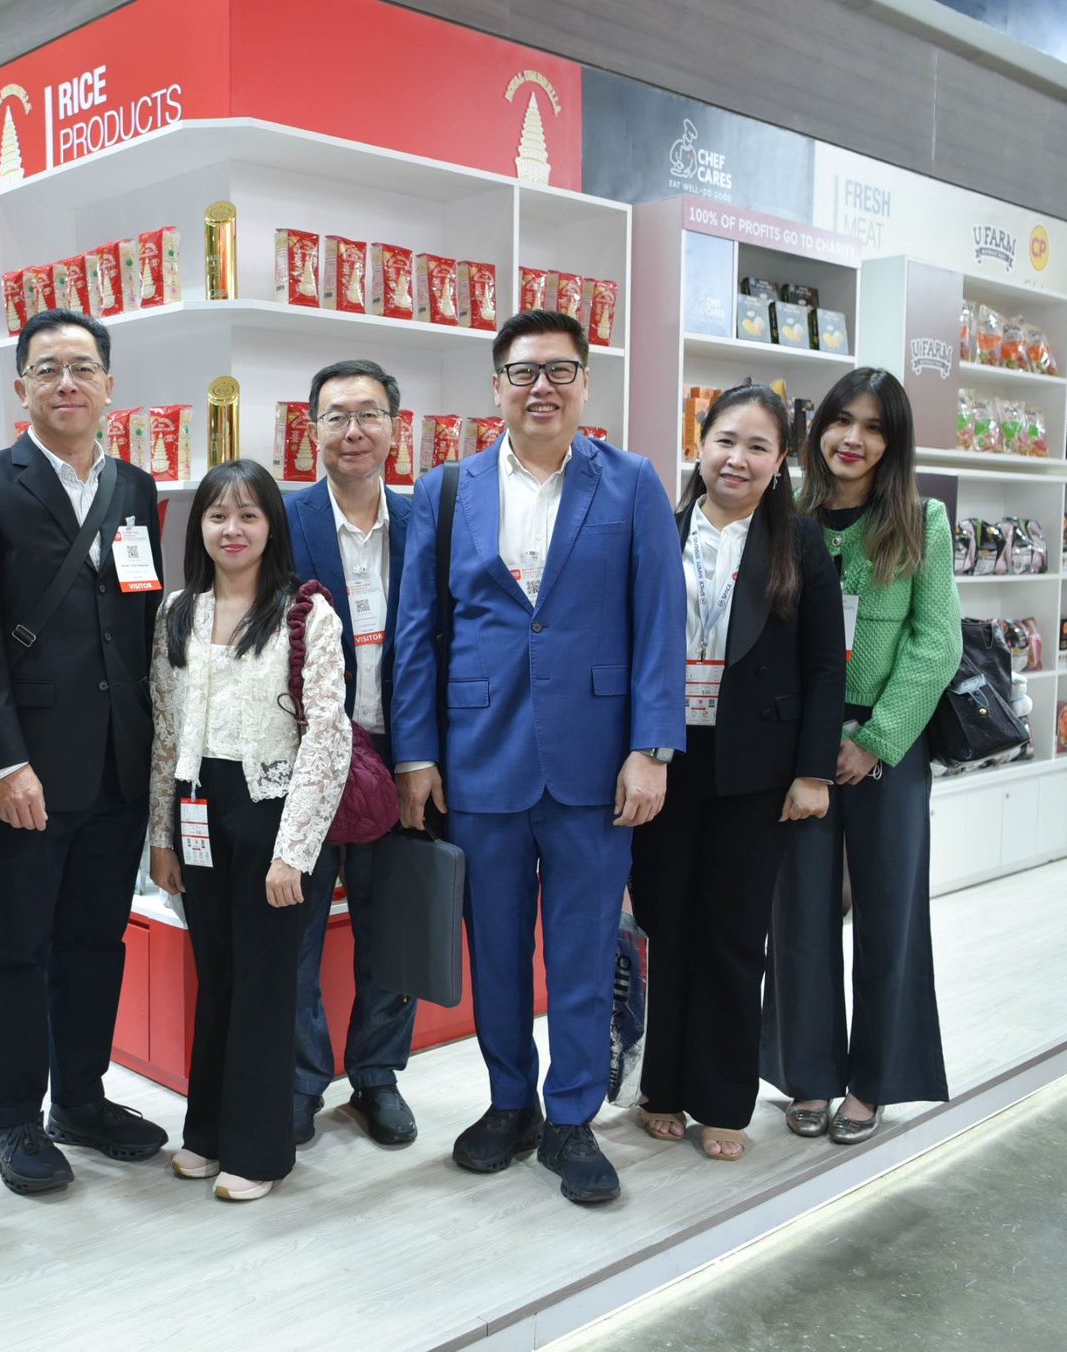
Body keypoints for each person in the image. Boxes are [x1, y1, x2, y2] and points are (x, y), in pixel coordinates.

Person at [390, 309, 685, 1206]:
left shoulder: (632, 483)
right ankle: (509, 1102)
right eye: (523, 372)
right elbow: (417, 632)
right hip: (480, 757)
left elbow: (659, 622)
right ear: (497, 388)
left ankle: (572, 1117)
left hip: (598, 763)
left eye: (559, 370)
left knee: (586, 950)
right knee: (497, 948)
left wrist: (652, 748)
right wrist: (416, 754)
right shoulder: (449, 490)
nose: (541, 387)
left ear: (586, 384)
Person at [0, 307, 170, 1195]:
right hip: (25, 769)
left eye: (82, 367)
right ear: (21, 387)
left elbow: (139, 618)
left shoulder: (135, 487)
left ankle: (81, 1098)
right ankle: (14, 1120)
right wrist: (2, 761)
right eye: (47, 368)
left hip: (117, 762)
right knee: (17, 950)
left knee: (97, 941)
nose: (66, 382)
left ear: (109, 385)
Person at [625, 386, 844, 1161]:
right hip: (667, 759)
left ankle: (722, 1101)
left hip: (756, 768)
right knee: (667, 924)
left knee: (734, 934)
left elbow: (825, 666)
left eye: (758, 446)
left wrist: (813, 772)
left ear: (780, 462)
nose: (737, 459)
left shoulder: (800, 543)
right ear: (700, 444)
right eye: (725, 440)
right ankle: (662, 1089)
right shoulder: (661, 528)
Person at [762, 367, 960, 1145]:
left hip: (890, 745)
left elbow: (935, 644)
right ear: (819, 429)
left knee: (890, 912)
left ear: (893, 441)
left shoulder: (921, 520)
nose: (854, 439)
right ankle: (808, 1073)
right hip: (802, 745)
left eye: (874, 427)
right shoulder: (788, 515)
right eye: (843, 420)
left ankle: (873, 1083)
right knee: (800, 912)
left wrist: (875, 740)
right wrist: (812, 745)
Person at [147, 460, 352, 1201]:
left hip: (272, 810)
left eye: (248, 515)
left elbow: (328, 738)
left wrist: (293, 851)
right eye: (217, 515)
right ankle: (206, 1132)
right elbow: (165, 731)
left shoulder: (306, 613)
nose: (231, 530)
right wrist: (162, 836)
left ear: (272, 526)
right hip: (197, 807)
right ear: (198, 526)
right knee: (218, 975)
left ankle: (258, 1152)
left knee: (266, 984)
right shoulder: (178, 610)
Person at [282, 359, 418, 1148]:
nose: (353, 431)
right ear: (313, 432)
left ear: (395, 429)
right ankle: (302, 1081)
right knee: (297, 931)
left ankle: (377, 1077)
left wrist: (426, 757)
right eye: (336, 417)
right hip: (309, 757)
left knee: (392, 925)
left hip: (403, 756)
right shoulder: (284, 518)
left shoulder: (428, 522)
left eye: (369, 414)